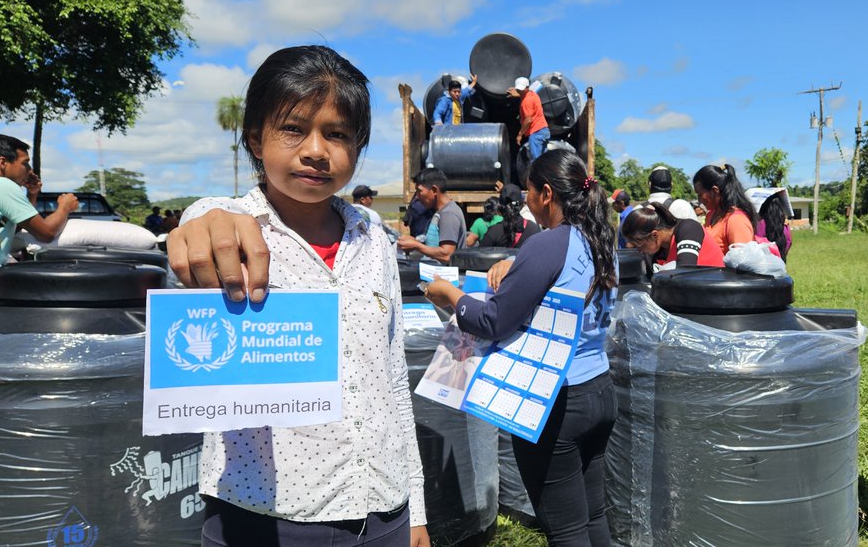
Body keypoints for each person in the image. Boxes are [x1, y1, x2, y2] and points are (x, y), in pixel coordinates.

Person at [164, 45, 429, 547]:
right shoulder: (230, 223)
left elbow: (393, 381)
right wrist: (203, 229)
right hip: (268, 518)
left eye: (337, 134)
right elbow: (205, 225)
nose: (316, 150)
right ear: (255, 139)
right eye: (293, 128)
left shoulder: (372, 236)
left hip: (384, 513)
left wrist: (414, 507)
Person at [424, 150, 617, 546]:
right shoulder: (599, 239)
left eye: (529, 191)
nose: (525, 201)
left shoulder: (547, 244)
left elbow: (493, 321)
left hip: (558, 403)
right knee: (594, 517)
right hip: (599, 390)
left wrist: (450, 295)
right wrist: (515, 265)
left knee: (566, 531)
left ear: (546, 194)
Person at [0, 134, 78, 264]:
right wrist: (65, 207)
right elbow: (46, 233)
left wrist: (32, 194)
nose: (30, 169)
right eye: (25, 163)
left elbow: (8, 226)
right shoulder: (3, 185)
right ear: (2, 163)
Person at [621, 202, 724, 269]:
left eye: (640, 245)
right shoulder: (660, 250)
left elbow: (684, 272)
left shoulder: (689, 229)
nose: (639, 250)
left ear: (654, 235)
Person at [397, 168, 466, 264]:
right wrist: (414, 243)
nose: (417, 196)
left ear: (434, 190)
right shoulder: (439, 211)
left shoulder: (449, 214)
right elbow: (435, 245)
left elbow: (447, 255)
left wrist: (417, 246)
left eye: (419, 191)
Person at [692, 164, 757, 255]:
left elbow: (744, 262)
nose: (699, 200)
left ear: (715, 191)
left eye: (700, 194)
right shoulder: (711, 215)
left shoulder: (736, 220)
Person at [507, 77, 550, 162]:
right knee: (543, 160)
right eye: (518, 89)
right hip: (544, 130)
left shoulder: (526, 102)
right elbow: (524, 94)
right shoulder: (532, 94)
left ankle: (535, 175)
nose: (520, 91)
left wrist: (520, 134)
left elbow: (528, 120)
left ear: (527, 87)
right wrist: (517, 94)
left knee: (535, 161)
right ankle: (545, 174)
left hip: (536, 133)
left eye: (521, 89)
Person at [756, 190, 792, 260]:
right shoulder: (785, 227)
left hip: (763, 264)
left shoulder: (759, 225)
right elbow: (788, 243)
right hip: (780, 264)